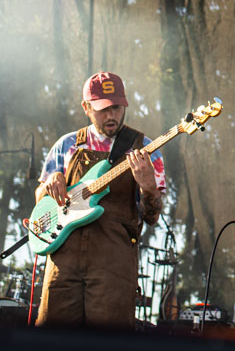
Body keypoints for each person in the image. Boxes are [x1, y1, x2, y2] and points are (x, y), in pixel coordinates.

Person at [35, 71, 166, 327]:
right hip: (64, 261)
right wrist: (50, 184)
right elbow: (40, 201)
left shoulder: (146, 148)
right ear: (86, 107)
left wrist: (149, 188)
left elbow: (152, 217)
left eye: (117, 108)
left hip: (113, 265)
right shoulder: (67, 145)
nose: (111, 116)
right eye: (103, 109)